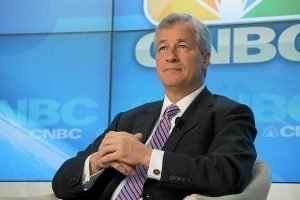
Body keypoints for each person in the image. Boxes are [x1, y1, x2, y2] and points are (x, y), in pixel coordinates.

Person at [52, 13, 257, 200]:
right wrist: (97, 161)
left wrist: (146, 156)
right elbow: (61, 183)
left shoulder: (229, 114)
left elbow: (229, 175)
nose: (170, 56)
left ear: (205, 58)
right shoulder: (128, 119)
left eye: (182, 46)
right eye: (163, 48)